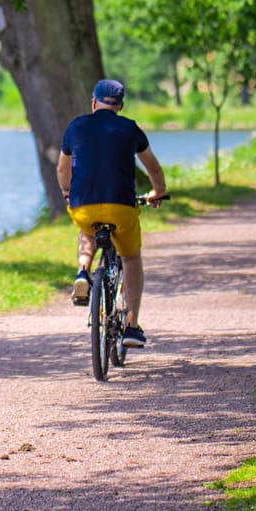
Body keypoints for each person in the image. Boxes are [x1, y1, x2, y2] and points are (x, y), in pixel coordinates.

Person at [57, 79, 168, 348]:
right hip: (121, 206)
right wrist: (159, 192)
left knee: (87, 230)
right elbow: (152, 167)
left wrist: (67, 194)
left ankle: (83, 271)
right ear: (121, 105)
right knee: (131, 259)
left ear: (94, 102)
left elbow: (63, 170)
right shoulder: (130, 128)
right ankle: (131, 326)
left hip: (84, 206)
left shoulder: (76, 126)